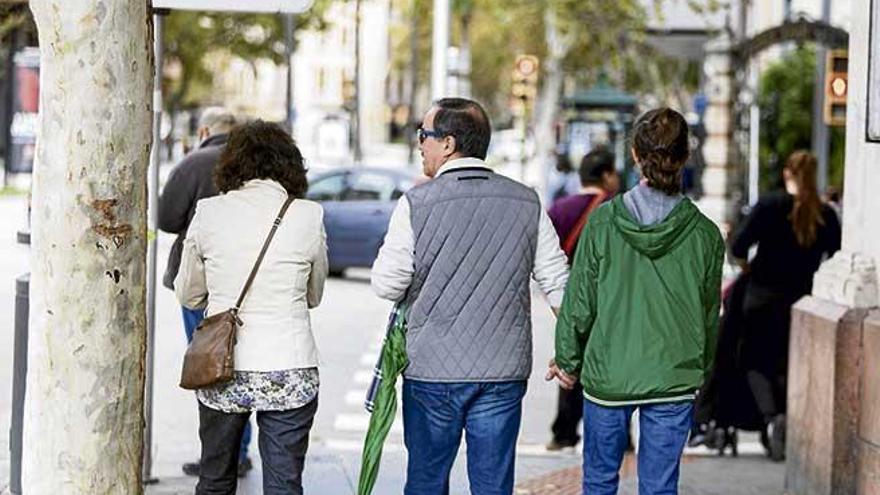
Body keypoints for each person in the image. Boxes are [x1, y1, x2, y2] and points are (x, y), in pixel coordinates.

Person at [371, 97, 569, 495]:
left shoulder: (416, 204)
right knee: (494, 485)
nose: (419, 144)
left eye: (423, 135)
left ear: (447, 143)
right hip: (502, 370)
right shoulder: (526, 201)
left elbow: (388, 284)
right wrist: (570, 351)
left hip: (432, 371)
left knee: (426, 481)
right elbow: (558, 283)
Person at [548, 108, 725, 495]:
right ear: (683, 157)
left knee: (598, 482)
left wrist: (567, 359)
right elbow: (710, 314)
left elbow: (580, 302)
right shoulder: (706, 235)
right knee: (660, 487)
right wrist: (701, 366)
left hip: (608, 373)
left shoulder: (604, 223)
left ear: (634, 155)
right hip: (673, 374)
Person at [175, 121, 328, 494]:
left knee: (215, 478)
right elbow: (314, 295)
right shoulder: (308, 214)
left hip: (223, 367)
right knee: (283, 483)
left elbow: (188, 295)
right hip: (288, 368)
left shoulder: (209, 212)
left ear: (233, 163)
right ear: (290, 164)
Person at [157, 107, 256, 477]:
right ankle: (241, 450)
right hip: (247, 282)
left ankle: (216, 456)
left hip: (200, 284)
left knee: (209, 370)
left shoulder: (194, 163)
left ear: (203, 131)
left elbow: (167, 219)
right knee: (243, 367)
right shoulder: (254, 164)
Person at [730, 150, 841, 461]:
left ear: (786, 174)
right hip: (800, 301)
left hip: (762, 296)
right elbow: (834, 257)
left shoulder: (770, 205)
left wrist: (746, 267)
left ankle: (771, 416)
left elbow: (739, 245)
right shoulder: (826, 215)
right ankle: (788, 420)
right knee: (787, 364)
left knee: (754, 361)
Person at [545, 147, 620, 451]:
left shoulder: (560, 209)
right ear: (606, 175)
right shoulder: (617, 209)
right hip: (609, 299)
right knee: (610, 365)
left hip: (571, 297)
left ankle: (564, 432)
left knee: (569, 361)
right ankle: (618, 437)